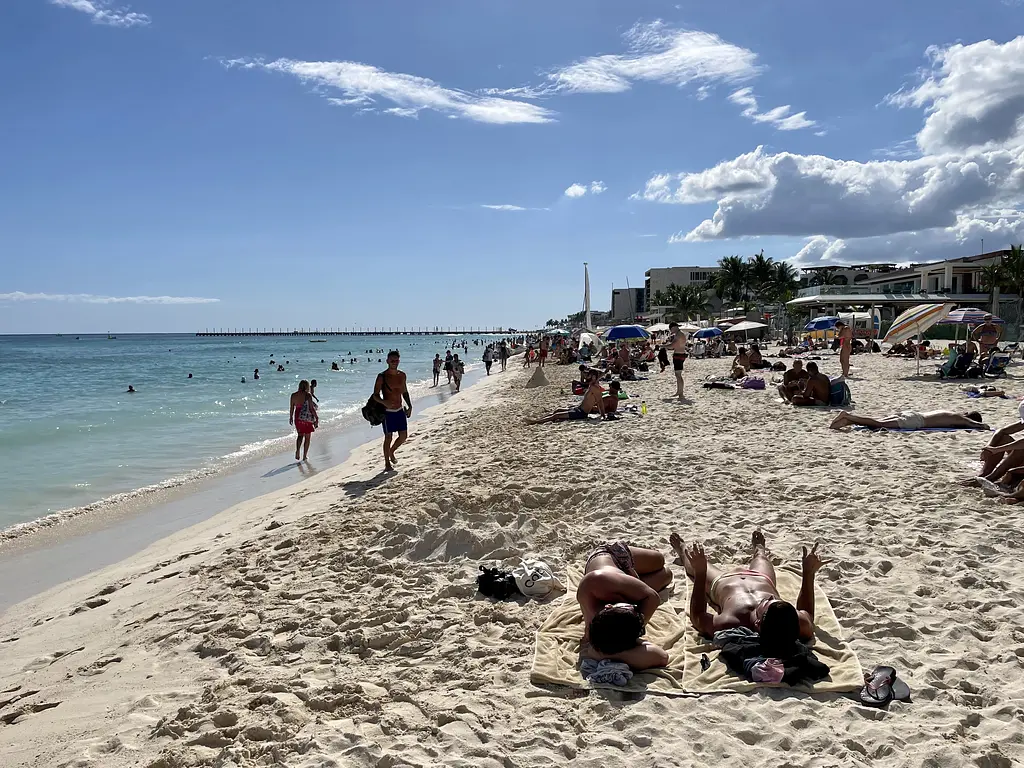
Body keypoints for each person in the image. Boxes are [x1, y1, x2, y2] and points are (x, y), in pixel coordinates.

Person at [670, 531, 824, 647]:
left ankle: (682, 548)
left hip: (724, 582)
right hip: (762, 578)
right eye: (774, 600)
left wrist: (701, 572)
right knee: (761, 558)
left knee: (693, 563)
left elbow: (697, 616)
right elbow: (808, 613)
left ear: (757, 623)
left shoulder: (730, 622)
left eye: (766, 604)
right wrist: (808, 574)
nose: (770, 598)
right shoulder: (794, 622)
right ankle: (759, 549)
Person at [576, 541, 672, 670]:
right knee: (666, 575)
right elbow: (661, 657)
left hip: (611, 556)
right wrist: (627, 642)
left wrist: (639, 627)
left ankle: (633, 580)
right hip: (623, 585)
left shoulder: (593, 583)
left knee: (659, 560)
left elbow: (653, 598)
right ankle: (634, 582)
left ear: (608, 606)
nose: (634, 606)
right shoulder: (600, 630)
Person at [371, 351, 412, 472]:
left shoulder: (402, 375)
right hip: (387, 412)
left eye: (396, 360)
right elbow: (375, 395)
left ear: (399, 361)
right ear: (387, 361)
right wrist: (384, 402)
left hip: (399, 409)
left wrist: (409, 406)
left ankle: (391, 451)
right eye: (392, 360)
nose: (394, 362)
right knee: (388, 437)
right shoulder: (382, 376)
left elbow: (404, 391)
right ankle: (387, 463)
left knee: (403, 436)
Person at [527, 374, 609, 424]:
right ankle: (540, 419)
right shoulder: (591, 387)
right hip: (578, 409)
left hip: (581, 413)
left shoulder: (595, 388)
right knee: (557, 410)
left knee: (556, 415)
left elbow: (600, 402)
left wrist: (603, 416)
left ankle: (537, 422)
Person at [829, 409, 986, 431]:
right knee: (880, 424)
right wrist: (984, 426)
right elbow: (972, 424)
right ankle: (848, 416)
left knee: (878, 422)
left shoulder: (950, 413)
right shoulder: (958, 418)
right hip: (915, 422)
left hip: (912, 414)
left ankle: (848, 421)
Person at [289, 380, 318, 461]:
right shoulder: (308, 395)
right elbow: (311, 408)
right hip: (306, 416)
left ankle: (297, 451)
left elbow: (292, 407)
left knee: (300, 435)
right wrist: (316, 417)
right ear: (307, 386)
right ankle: (304, 456)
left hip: (298, 416)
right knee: (307, 437)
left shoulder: (293, 395)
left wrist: (291, 417)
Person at [666, 322, 688, 399]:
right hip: (681, 354)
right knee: (678, 374)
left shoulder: (678, 335)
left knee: (678, 375)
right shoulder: (680, 334)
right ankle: (679, 392)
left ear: (674, 327)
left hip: (678, 355)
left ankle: (680, 392)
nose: (670, 331)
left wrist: (663, 346)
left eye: (671, 329)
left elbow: (672, 346)